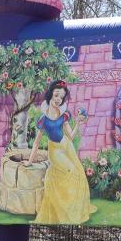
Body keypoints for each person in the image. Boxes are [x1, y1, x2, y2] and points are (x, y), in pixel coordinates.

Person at [24, 80, 96, 224]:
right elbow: (36, 143)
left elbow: (71, 136)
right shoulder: (43, 119)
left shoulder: (64, 115)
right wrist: (30, 161)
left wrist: (78, 124)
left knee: (77, 173)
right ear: (50, 94)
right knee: (70, 171)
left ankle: (72, 207)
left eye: (61, 97)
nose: (58, 99)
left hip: (66, 145)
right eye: (56, 95)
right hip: (55, 150)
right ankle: (64, 210)